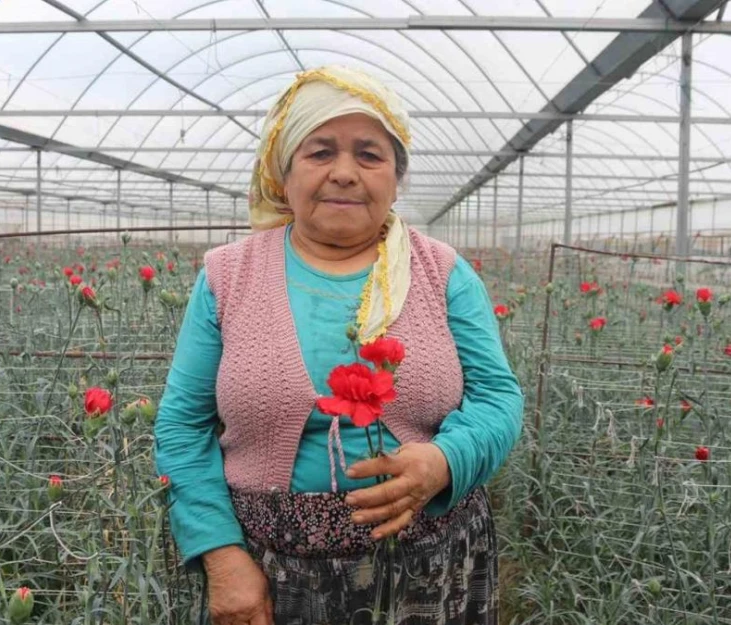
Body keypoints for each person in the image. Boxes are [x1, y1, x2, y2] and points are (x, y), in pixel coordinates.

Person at [154, 65, 523, 625]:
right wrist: (223, 556)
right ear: (283, 174)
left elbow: (498, 398)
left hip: (429, 566)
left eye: (370, 156)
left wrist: (444, 461)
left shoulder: (441, 272)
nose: (345, 174)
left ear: (396, 179)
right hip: (267, 575)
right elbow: (182, 426)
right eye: (320, 152)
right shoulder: (228, 276)